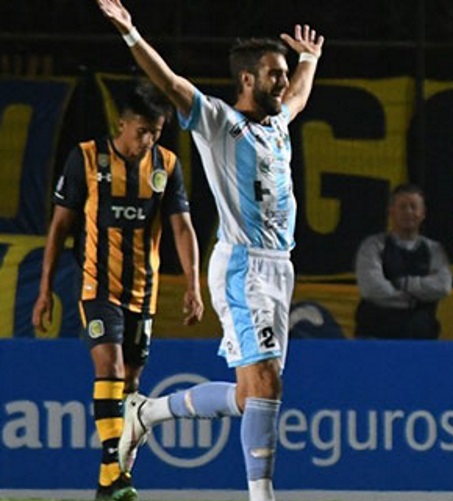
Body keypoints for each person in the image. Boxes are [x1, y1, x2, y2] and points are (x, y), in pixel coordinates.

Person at [95, 1, 323, 500]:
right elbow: (170, 83)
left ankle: (147, 412)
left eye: (284, 74)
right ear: (247, 79)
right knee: (267, 385)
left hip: (279, 269)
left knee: (249, 395)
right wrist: (132, 34)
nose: (283, 83)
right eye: (275, 74)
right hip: (243, 268)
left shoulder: (277, 123)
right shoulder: (219, 122)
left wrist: (308, 60)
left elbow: (299, 96)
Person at [31, 81, 203, 501]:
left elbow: (182, 227)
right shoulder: (87, 158)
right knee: (108, 366)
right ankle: (115, 470)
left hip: (143, 291)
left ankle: (108, 482)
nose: (149, 141)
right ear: (122, 125)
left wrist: (193, 284)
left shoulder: (166, 165)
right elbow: (60, 226)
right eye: (142, 131)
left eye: (156, 133)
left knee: (130, 384)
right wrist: (45, 289)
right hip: (97, 285)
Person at [354, 183, 453, 339]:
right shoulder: (373, 246)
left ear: (423, 213)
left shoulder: (434, 250)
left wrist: (403, 283)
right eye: (402, 207)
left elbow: (443, 286)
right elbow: (371, 288)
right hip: (375, 334)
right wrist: (411, 300)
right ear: (391, 211)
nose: (408, 212)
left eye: (413, 207)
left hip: (420, 336)